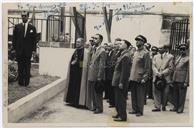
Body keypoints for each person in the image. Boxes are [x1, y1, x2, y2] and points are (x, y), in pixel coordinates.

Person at [12, 11, 37, 86]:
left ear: (28, 17)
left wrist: (33, 51)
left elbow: (34, 41)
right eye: (22, 16)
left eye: (25, 16)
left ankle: (26, 83)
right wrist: (15, 49)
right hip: (19, 51)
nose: (23, 17)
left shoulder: (32, 28)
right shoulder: (17, 27)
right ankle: (20, 82)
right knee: (20, 67)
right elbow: (14, 39)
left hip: (28, 52)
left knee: (27, 67)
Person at [129, 35, 150, 117]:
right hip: (133, 76)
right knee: (133, 94)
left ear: (143, 42)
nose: (137, 42)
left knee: (140, 95)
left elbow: (147, 67)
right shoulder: (136, 52)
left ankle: (140, 111)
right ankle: (134, 109)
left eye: (139, 40)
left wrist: (145, 78)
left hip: (140, 77)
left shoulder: (146, 53)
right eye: (136, 40)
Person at [64, 38, 88, 108]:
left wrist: (76, 63)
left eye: (78, 42)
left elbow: (83, 64)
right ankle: (71, 101)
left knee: (78, 87)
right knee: (72, 86)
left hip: (79, 73)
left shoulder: (85, 52)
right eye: (76, 42)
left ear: (82, 43)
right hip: (73, 72)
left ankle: (77, 102)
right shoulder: (76, 50)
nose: (77, 43)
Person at [112, 40, 132, 121]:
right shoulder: (122, 54)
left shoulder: (126, 56)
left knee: (121, 99)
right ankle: (119, 113)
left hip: (120, 81)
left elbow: (125, 71)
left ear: (126, 46)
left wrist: (121, 82)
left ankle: (123, 116)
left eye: (121, 44)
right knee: (117, 99)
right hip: (117, 79)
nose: (120, 45)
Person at [88, 34, 106, 114]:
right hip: (92, 73)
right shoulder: (94, 49)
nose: (94, 40)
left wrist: (99, 76)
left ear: (100, 40)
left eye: (96, 38)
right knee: (92, 91)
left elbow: (102, 65)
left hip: (97, 75)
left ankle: (99, 108)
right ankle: (95, 106)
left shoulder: (102, 51)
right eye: (94, 38)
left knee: (98, 92)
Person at [152, 45, 174, 112]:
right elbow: (153, 66)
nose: (159, 49)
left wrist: (162, 73)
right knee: (156, 92)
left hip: (165, 77)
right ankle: (157, 107)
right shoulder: (155, 56)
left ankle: (163, 105)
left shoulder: (170, 57)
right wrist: (157, 73)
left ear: (165, 49)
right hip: (157, 77)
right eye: (159, 48)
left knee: (165, 93)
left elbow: (170, 68)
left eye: (161, 48)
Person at [170, 44, 189, 113]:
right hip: (175, 78)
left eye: (183, 49)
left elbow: (188, 71)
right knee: (175, 94)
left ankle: (180, 108)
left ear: (186, 50)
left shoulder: (188, 58)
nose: (182, 51)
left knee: (181, 95)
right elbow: (174, 67)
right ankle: (175, 107)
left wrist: (186, 82)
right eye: (181, 49)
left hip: (182, 79)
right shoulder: (178, 57)